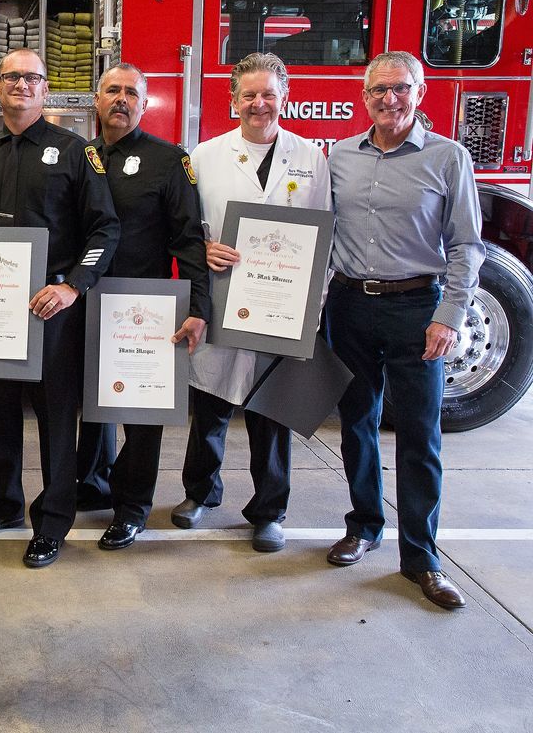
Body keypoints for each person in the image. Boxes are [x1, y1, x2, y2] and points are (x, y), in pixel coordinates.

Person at [0, 48, 120, 568]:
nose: (20, 85)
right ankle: (5, 502)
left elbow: (105, 229)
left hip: (51, 308)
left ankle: (53, 519)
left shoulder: (77, 152)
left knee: (56, 419)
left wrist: (74, 287)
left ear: (45, 87)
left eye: (31, 77)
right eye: (11, 77)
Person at [324, 51, 484, 609]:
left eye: (400, 88)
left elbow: (466, 246)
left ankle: (421, 557)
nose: (389, 99)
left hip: (417, 307)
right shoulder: (340, 156)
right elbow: (318, 232)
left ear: (420, 92)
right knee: (356, 423)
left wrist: (449, 317)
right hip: (348, 305)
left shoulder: (448, 158)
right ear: (362, 96)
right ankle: (364, 525)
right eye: (378, 90)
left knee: (419, 435)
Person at [171, 52, 331, 553]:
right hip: (222, 302)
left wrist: (313, 310)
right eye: (249, 94)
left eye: (268, 94)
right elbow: (184, 229)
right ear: (232, 99)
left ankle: (269, 511)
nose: (258, 103)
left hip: (282, 309)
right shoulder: (204, 156)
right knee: (212, 406)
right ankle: (200, 493)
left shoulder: (310, 158)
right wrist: (203, 248)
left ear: (284, 98)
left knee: (272, 411)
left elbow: (323, 236)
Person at [71, 63, 211, 551]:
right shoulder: (79, 154)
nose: (122, 100)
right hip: (83, 301)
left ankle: (132, 508)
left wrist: (198, 306)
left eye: (132, 93)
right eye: (112, 90)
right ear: (96, 98)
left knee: (141, 415)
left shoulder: (170, 160)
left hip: (144, 306)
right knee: (91, 406)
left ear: (145, 104)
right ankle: (91, 486)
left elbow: (189, 241)